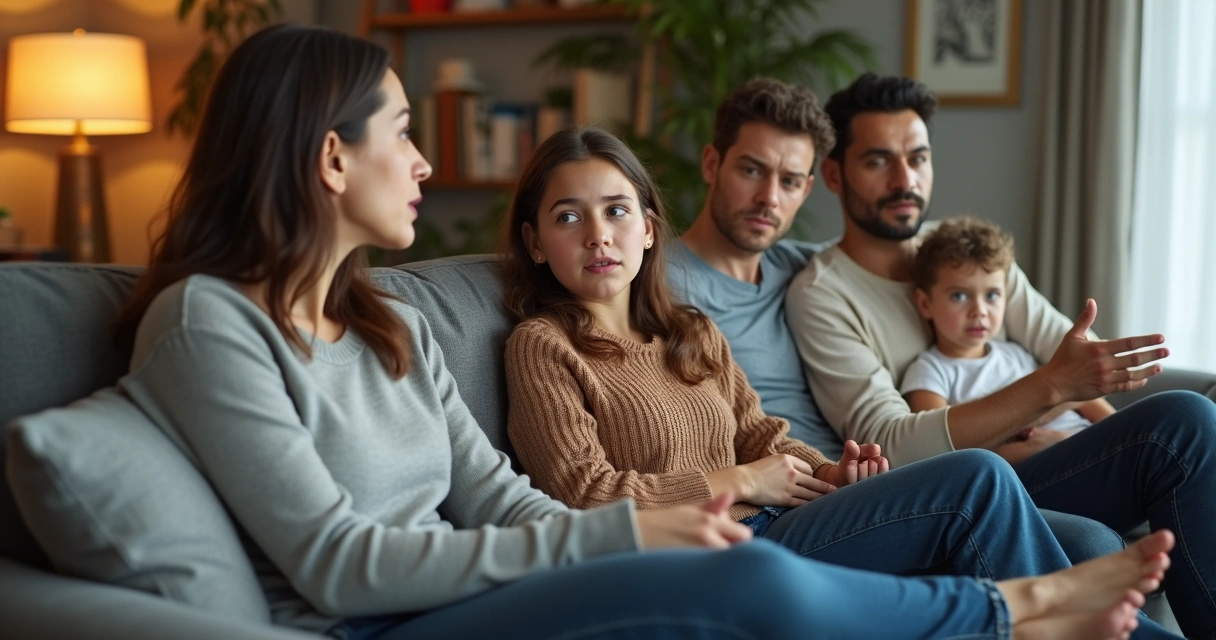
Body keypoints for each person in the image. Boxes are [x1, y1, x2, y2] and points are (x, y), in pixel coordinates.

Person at [102, 24, 1172, 640]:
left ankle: (1022, 608)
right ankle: (1012, 609)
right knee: (741, 577)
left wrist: (669, 517)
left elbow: (497, 497)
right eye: (404, 134)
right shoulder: (207, 323)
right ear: (330, 161)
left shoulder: (382, 319)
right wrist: (628, 529)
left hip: (498, 575)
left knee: (941, 501)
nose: (425, 163)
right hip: (381, 626)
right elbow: (337, 564)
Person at [499, 124, 1183, 640]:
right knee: (975, 478)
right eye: (568, 216)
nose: (597, 234)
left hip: (783, 517)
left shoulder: (691, 331)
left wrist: (832, 474)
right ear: (535, 242)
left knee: (987, 483)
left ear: (647, 230)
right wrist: (740, 482)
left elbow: (763, 435)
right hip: (719, 550)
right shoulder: (544, 347)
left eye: (616, 210)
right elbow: (581, 497)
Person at [783, 72, 1216, 638]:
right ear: (834, 175)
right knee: (1171, 432)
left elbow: (1068, 351)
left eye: (918, 158)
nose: (904, 179)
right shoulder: (823, 294)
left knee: (1186, 418)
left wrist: (1084, 414)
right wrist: (1048, 392)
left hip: (1048, 459)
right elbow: (891, 441)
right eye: (878, 161)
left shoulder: (961, 253)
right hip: (968, 485)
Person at [669, 76, 1128, 568]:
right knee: (982, 476)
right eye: (751, 170)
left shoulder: (794, 263)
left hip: (857, 477)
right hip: (778, 505)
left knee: (1091, 542)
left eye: (787, 182)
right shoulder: (659, 290)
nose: (768, 199)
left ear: (807, 187)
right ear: (713, 164)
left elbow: (870, 258)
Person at [901, 217, 1115, 465]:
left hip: (1091, 446)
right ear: (926, 303)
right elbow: (941, 454)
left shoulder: (1017, 354)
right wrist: (1047, 448)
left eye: (992, 295)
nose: (979, 310)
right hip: (1042, 466)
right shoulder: (929, 372)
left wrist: (1123, 430)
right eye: (959, 296)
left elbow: (1085, 400)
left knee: (1166, 414)